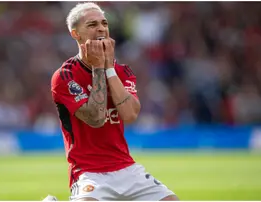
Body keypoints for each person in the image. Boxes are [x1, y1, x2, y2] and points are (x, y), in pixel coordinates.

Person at [50, 2, 178, 201]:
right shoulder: (65, 76)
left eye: (104, 23)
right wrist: (99, 67)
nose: (101, 28)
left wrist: (109, 68)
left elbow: (131, 115)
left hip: (127, 168)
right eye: (92, 25)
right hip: (88, 172)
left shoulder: (122, 71)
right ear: (76, 34)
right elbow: (97, 117)